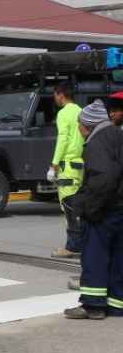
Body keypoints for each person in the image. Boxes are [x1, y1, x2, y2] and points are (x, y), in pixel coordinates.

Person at [65, 99, 123, 320]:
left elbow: (104, 177)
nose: (79, 130)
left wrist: (91, 208)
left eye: (80, 125)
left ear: (87, 125)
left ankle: (93, 305)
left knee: (95, 256)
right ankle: (117, 305)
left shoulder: (97, 142)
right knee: (119, 258)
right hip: (120, 208)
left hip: (105, 209)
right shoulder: (118, 134)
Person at [49, 83, 84, 258]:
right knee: (78, 205)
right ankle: (82, 243)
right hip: (79, 165)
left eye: (55, 95)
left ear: (61, 94)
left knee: (69, 206)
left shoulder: (63, 114)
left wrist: (54, 163)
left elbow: (62, 139)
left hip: (67, 165)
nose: (55, 98)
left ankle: (72, 246)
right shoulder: (80, 111)